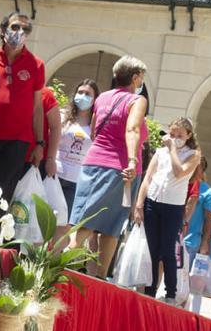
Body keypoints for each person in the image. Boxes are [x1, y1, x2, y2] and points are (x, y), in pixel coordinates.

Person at [68, 55, 149, 279]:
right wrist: (132, 160)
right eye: (141, 77)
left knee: (88, 218)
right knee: (107, 224)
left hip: (93, 162)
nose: (141, 82)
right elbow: (132, 129)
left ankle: (93, 273)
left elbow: (94, 132)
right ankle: (83, 270)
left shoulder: (103, 97)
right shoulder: (136, 101)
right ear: (134, 78)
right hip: (120, 168)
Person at [0, 11, 46, 203]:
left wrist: (39, 144)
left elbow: (37, 108)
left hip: (17, 141)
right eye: (15, 27)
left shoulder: (36, 64)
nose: (20, 32)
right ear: (3, 29)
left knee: (1, 197)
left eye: (25, 29)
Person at [134, 117, 202, 303]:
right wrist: (139, 204)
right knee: (152, 249)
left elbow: (180, 172)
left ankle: (171, 293)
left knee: (167, 251)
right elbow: (148, 178)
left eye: (179, 135)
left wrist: (172, 148)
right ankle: (150, 290)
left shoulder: (193, 154)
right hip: (152, 202)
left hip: (173, 207)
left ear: (188, 135)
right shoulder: (160, 152)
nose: (174, 138)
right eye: (172, 134)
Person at [56, 79, 100, 213]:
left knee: (64, 224)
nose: (83, 96)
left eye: (88, 94)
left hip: (77, 181)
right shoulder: (62, 115)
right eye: (80, 92)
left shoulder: (97, 123)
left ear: (95, 99)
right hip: (55, 175)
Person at [184, 157, 211, 268]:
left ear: (202, 170)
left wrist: (205, 243)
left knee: (182, 281)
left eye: (198, 167)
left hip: (190, 243)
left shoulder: (208, 192)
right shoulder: (180, 184)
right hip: (171, 237)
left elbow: (209, 221)